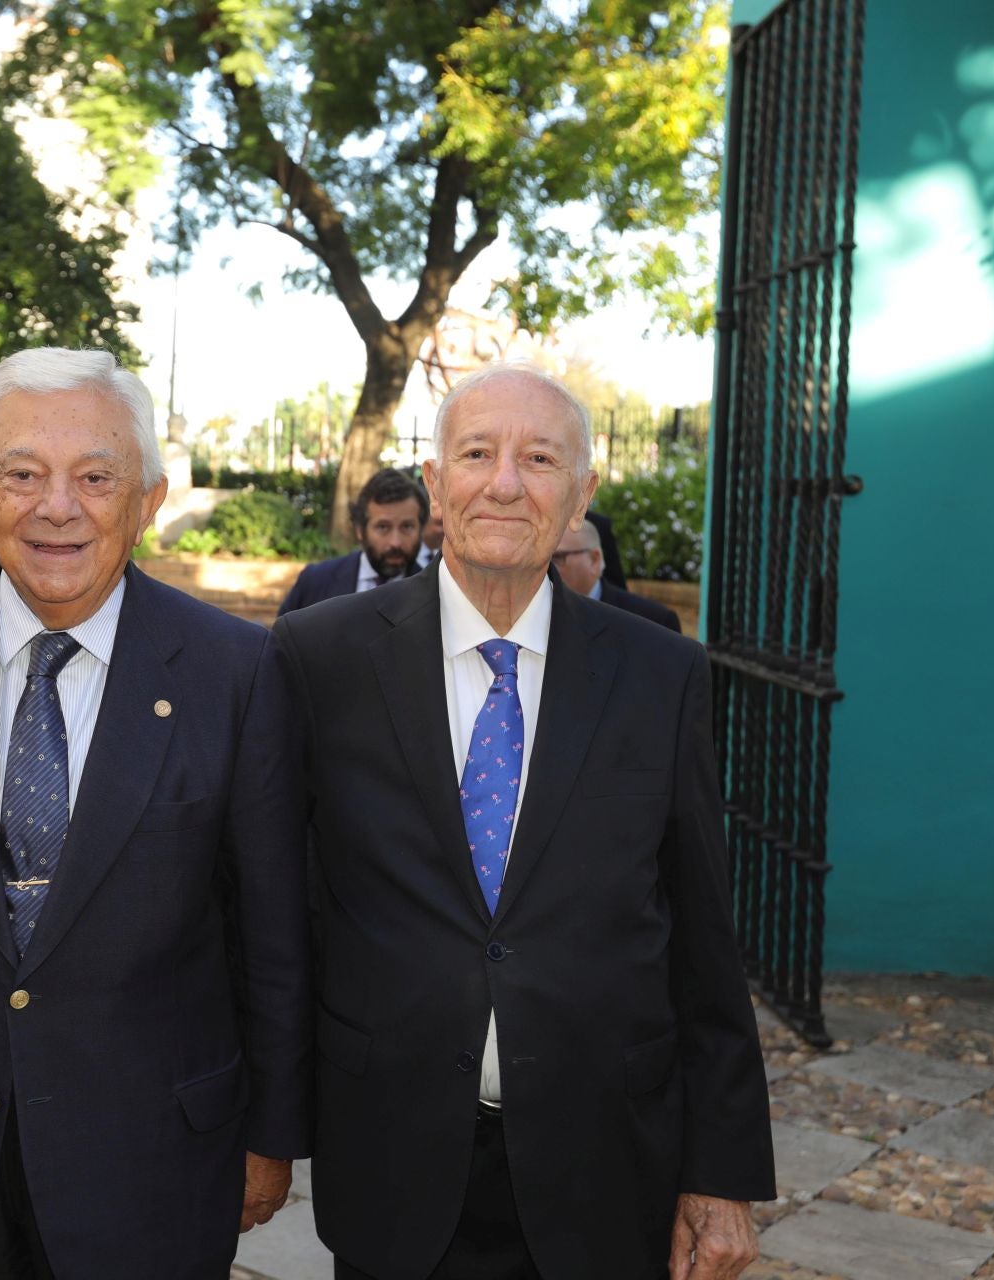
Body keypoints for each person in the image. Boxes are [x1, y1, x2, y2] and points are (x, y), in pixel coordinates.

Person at [0, 347, 313, 1279]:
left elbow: (273, 925)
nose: (57, 507)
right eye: (22, 475)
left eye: (95, 477)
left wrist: (272, 1133)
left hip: (154, 1156)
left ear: (149, 498)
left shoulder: (233, 672)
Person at [273, 363, 772, 1280]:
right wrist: (268, 1129)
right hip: (392, 1155)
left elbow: (703, 936)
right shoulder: (322, 657)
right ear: (435, 482)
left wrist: (721, 1173)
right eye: (476, 453)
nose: (504, 482)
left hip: (607, 1162)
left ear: (581, 495)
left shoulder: (662, 676)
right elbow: (275, 907)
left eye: (539, 458)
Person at [278, 467, 428, 615]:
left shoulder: (433, 594)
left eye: (407, 527)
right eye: (383, 527)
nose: (395, 542)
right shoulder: (315, 582)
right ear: (359, 530)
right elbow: (280, 638)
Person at [552, 520, 682, 632]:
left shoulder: (653, 621)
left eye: (557, 558)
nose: (547, 567)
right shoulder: (538, 613)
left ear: (594, 560)